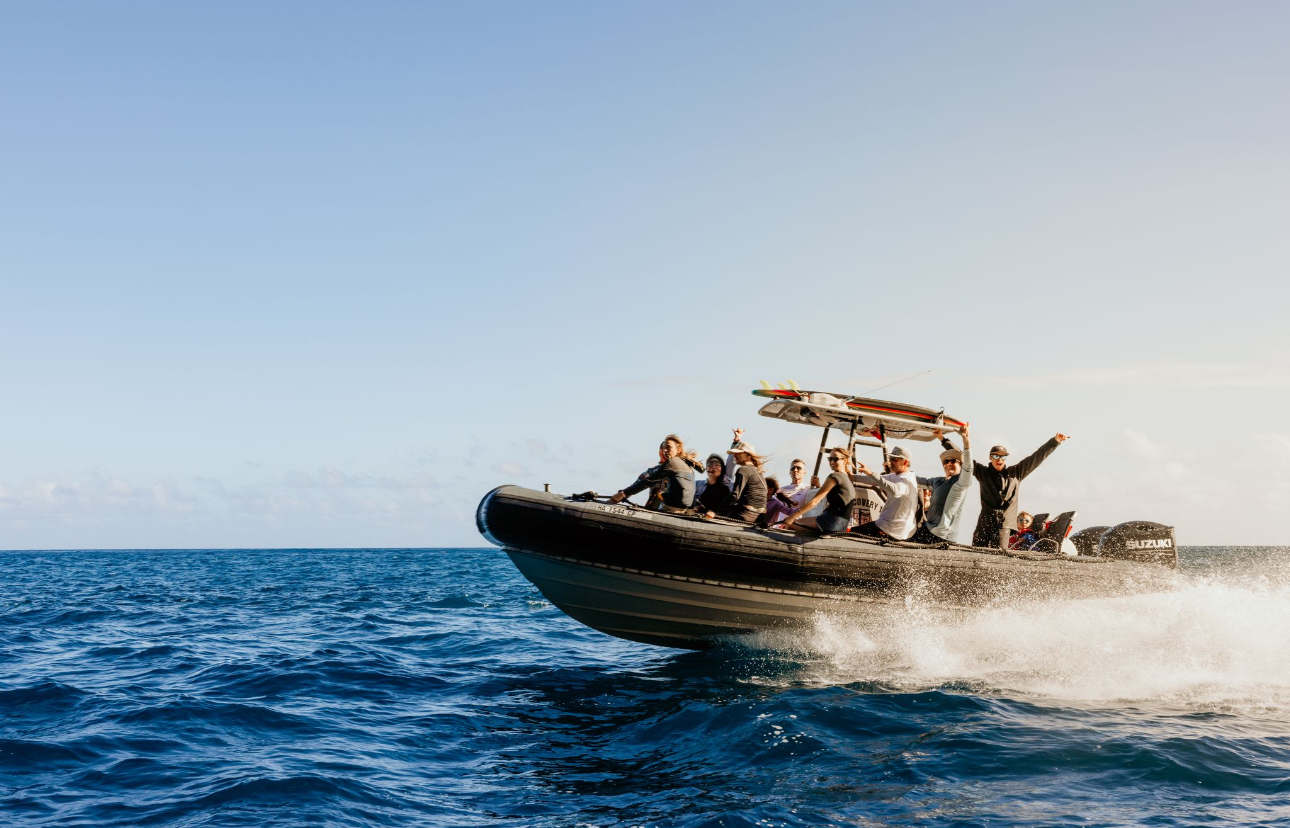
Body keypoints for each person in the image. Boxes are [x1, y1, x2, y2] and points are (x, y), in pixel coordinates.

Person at [965, 432, 1070, 548]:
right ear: (990, 458)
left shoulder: (1016, 473)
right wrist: (944, 440)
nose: (999, 459)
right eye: (996, 456)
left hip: (1004, 526)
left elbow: (1036, 457)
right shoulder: (983, 472)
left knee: (998, 556)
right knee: (975, 552)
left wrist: (1054, 442)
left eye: (1002, 456)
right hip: (984, 524)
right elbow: (963, 458)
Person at [910, 423, 974, 544]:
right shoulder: (937, 481)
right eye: (946, 461)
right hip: (927, 529)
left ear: (960, 464)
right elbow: (915, 479)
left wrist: (966, 440)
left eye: (952, 461)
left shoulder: (960, 483)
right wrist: (897, 470)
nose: (948, 463)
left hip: (943, 536)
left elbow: (969, 467)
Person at [608, 435, 696, 513]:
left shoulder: (672, 463)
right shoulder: (688, 467)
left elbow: (647, 482)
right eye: (663, 448)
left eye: (668, 447)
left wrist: (623, 494)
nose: (665, 450)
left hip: (669, 510)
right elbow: (639, 483)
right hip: (678, 510)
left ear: (678, 449)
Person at [849, 445, 919, 540]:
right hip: (887, 526)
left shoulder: (906, 480)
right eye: (890, 458)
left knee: (850, 533)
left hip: (890, 530)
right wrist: (852, 477)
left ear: (905, 462)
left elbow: (895, 490)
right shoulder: (896, 476)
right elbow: (875, 480)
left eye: (894, 459)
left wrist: (870, 473)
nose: (890, 462)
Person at [782, 447, 856, 534]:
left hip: (830, 521)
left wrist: (792, 517)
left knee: (790, 525)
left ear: (845, 461)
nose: (832, 462)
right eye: (830, 459)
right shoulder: (847, 479)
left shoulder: (835, 476)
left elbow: (815, 501)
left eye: (835, 459)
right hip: (842, 525)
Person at [709, 429, 767, 522]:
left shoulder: (743, 470)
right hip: (759, 517)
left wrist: (714, 511)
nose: (735, 455)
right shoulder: (758, 472)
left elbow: (735, 496)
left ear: (748, 455)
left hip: (745, 514)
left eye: (738, 453)